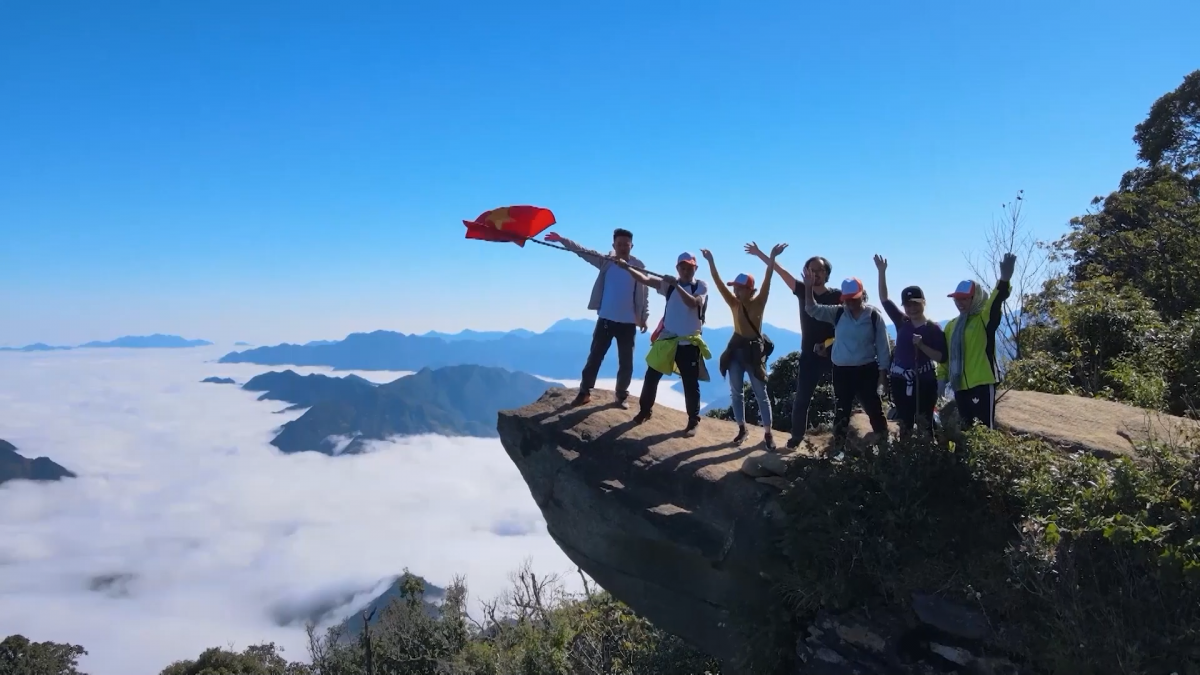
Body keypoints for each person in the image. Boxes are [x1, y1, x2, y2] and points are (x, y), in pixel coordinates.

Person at [746, 244, 841, 448]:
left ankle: (840, 441)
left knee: (842, 398)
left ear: (827, 273)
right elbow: (780, 271)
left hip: (836, 352)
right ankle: (796, 437)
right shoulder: (801, 290)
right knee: (802, 399)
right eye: (811, 270)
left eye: (820, 270)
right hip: (809, 354)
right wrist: (764, 254)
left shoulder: (837, 296)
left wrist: (829, 344)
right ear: (805, 273)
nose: (815, 274)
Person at [544, 229, 650, 408]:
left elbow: (644, 294)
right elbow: (583, 252)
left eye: (626, 244)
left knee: (626, 362)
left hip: (628, 322)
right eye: (619, 244)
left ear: (632, 246)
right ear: (613, 245)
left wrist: (644, 317)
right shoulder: (606, 261)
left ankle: (621, 395)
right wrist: (562, 239)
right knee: (595, 358)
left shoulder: (638, 266)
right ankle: (584, 392)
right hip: (606, 320)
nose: (623, 247)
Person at [614, 253, 711, 437]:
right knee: (651, 376)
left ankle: (693, 420)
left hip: (689, 343)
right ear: (677, 268)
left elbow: (693, 303)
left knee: (690, 383)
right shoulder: (669, 285)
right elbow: (645, 279)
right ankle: (645, 411)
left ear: (695, 269)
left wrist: (676, 285)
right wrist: (627, 268)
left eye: (690, 268)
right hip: (667, 340)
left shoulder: (700, 286)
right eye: (683, 268)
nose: (686, 271)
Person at [701, 244, 786, 449]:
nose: (735, 291)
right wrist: (711, 262)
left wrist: (772, 257)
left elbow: (768, 277)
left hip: (754, 354)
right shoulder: (734, 303)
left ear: (750, 290)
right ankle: (742, 428)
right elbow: (718, 282)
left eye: (739, 288)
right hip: (736, 352)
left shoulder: (759, 302)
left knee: (761, 394)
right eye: (734, 288)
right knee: (736, 392)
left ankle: (768, 434)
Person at [802, 272, 891, 445]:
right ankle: (838, 449)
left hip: (867, 370)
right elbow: (812, 309)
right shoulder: (838, 313)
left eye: (854, 298)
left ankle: (884, 445)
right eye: (847, 299)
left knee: (874, 409)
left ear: (862, 295)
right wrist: (808, 288)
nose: (850, 302)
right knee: (842, 411)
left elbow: (883, 346)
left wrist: (883, 374)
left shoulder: (873, 316)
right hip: (842, 371)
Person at [937, 253, 1016, 430]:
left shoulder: (983, 319)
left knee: (985, 429)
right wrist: (941, 378)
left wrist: (1004, 280)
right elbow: (946, 356)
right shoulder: (951, 326)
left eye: (965, 298)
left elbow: (995, 302)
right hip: (959, 387)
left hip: (982, 383)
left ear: (976, 298)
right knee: (966, 430)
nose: (959, 302)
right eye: (957, 298)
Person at [873, 254, 947, 437]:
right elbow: (884, 299)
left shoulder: (933, 329)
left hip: (924, 381)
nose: (912, 308)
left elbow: (941, 357)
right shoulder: (902, 321)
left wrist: (921, 345)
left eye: (915, 304)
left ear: (923, 303)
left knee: (925, 423)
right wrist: (881, 272)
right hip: (900, 381)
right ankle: (906, 453)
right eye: (908, 305)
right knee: (905, 423)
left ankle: (926, 453)